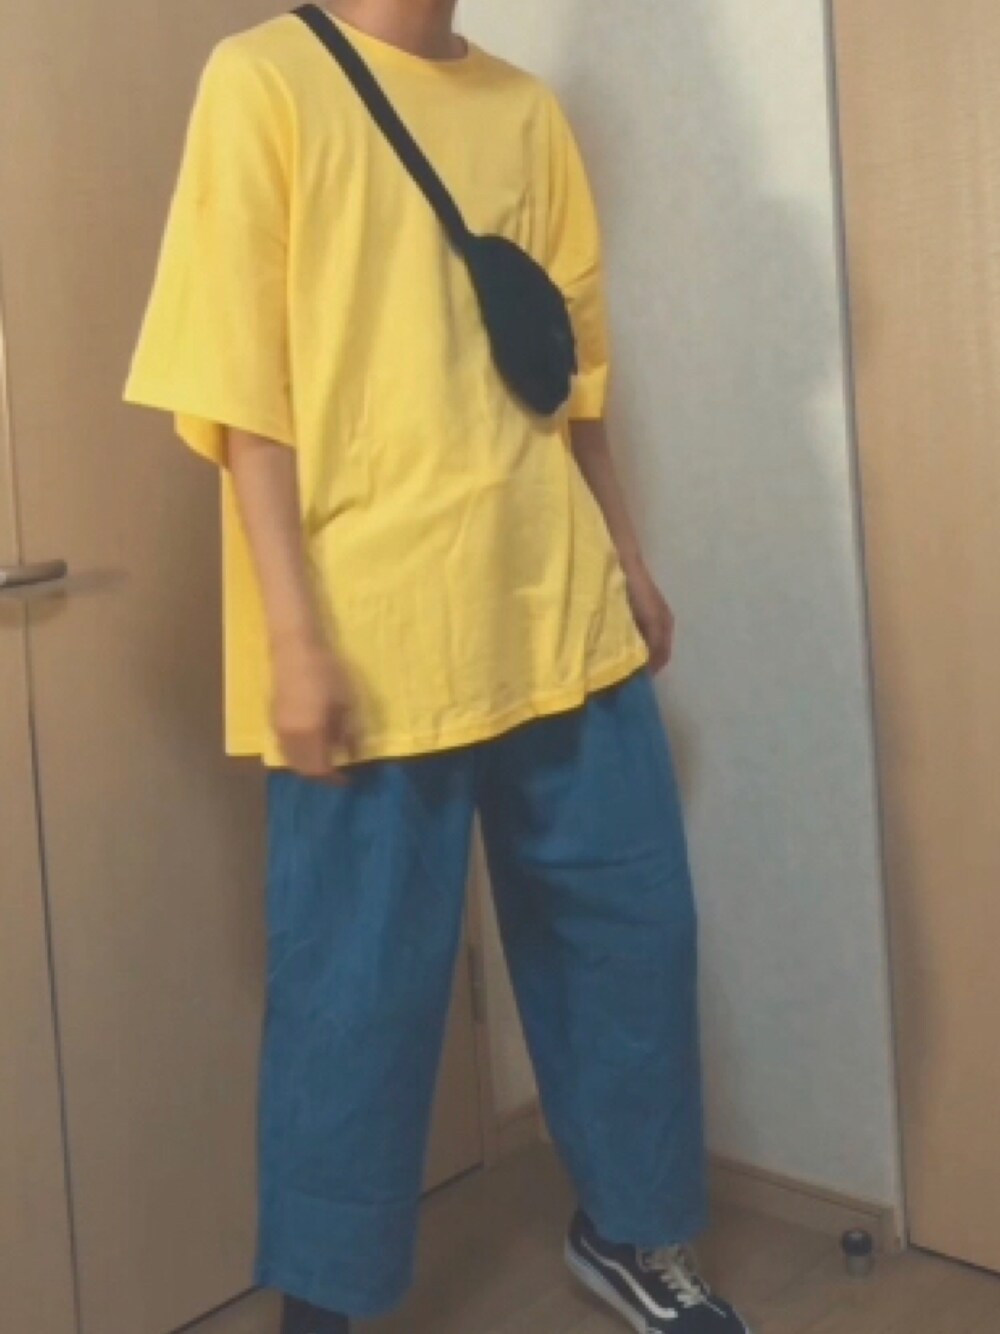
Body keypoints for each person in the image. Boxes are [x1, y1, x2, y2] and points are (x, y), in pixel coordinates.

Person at [125, 2, 751, 1331]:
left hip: (559, 611)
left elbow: (567, 378)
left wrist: (628, 554)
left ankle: (630, 1230)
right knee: (354, 996)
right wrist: (293, 634)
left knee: (631, 944)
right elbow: (239, 391)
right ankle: (326, 1299)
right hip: (373, 635)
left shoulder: (527, 113)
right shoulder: (262, 81)